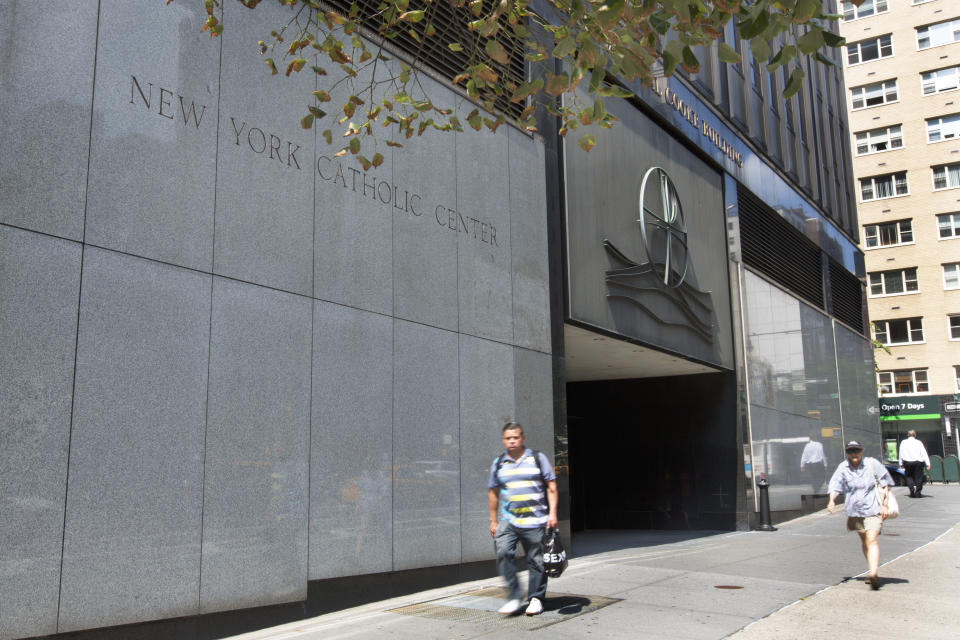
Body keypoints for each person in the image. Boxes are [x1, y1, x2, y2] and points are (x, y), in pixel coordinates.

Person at [488, 422, 558, 616]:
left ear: (522, 438)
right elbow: (493, 492)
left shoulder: (537, 458)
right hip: (509, 520)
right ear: (504, 440)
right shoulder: (499, 462)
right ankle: (514, 596)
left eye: (516, 437)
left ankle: (536, 598)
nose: (512, 441)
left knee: (536, 560)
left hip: (535, 521)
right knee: (503, 552)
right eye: (508, 438)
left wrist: (552, 513)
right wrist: (493, 520)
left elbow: (551, 486)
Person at [826, 441, 893, 590]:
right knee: (865, 541)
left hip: (873, 509)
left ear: (862, 451)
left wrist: (885, 504)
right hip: (854, 511)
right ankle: (871, 570)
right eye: (850, 451)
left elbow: (885, 483)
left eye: (856, 450)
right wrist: (831, 501)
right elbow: (835, 484)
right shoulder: (843, 467)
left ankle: (874, 574)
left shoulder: (871, 463)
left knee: (872, 539)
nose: (853, 454)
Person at [898, 430, 931, 498]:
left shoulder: (903, 442)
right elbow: (923, 453)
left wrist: (901, 463)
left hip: (907, 462)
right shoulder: (918, 442)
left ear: (908, 435)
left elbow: (901, 453)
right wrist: (928, 463)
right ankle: (918, 492)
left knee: (908, 476)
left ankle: (911, 489)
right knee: (919, 477)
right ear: (915, 435)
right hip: (918, 462)